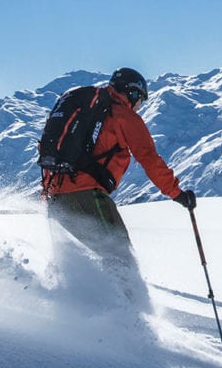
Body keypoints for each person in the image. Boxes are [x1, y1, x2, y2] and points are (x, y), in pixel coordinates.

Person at [43, 66, 196, 263]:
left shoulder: (89, 110)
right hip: (85, 194)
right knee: (121, 259)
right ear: (132, 93)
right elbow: (148, 157)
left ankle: (79, 294)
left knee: (81, 263)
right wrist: (177, 194)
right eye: (140, 100)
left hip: (55, 198)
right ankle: (127, 295)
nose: (139, 106)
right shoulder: (123, 115)